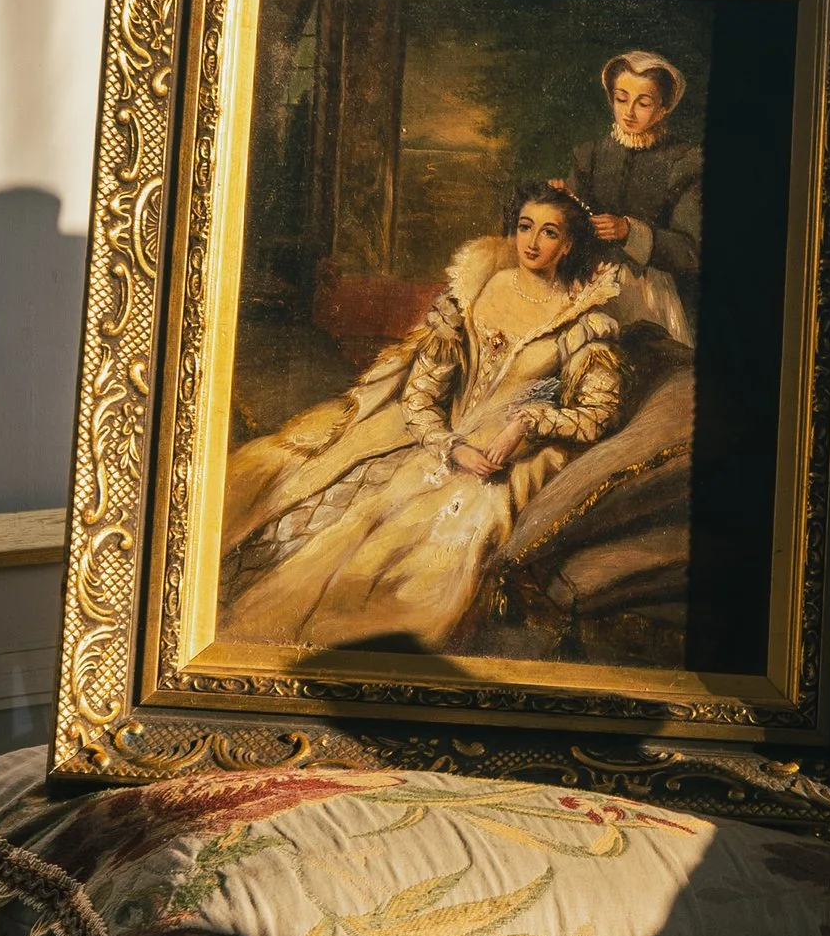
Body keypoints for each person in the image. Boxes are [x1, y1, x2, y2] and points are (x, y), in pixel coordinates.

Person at [218, 183, 626, 650]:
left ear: (568, 245)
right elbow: (421, 394)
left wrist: (527, 422)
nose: (532, 242)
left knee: (419, 557)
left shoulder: (582, 320)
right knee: (310, 490)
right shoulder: (473, 292)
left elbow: (597, 413)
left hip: (506, 460)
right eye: (524, 227)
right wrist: (449, 445)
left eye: (549, 232)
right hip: (439, 439)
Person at [569, 49, 702, 292]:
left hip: (648, 291)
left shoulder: (684, 161)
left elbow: (690, 252)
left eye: (643, 103)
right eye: (621, 99)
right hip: (588, 283)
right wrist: (560, 201)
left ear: (663, 108)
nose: (629, 112)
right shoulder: (590, 154)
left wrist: (630, 232)